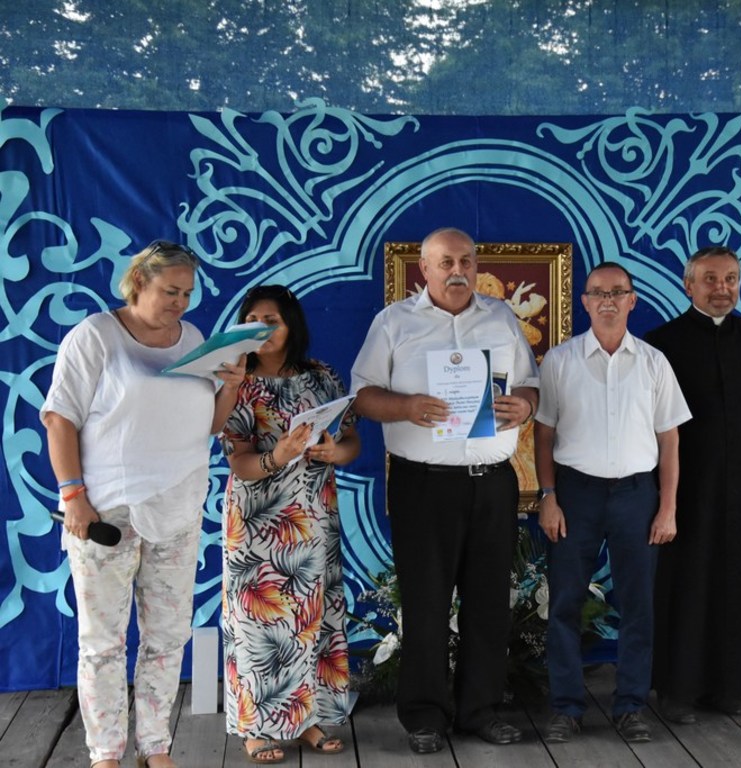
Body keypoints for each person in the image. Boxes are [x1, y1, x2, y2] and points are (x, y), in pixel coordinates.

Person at [40, 240, 243, 768]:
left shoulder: (193, 339)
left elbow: (208, 425)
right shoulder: (95, 336)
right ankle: (106, 753)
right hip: (107, 511)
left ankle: (155, 746)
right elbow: (59, 418)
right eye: (170, 291)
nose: (180, 302)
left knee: (168, 637)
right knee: (103, 642)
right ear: (138, 283)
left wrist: (231, 388)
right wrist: (73, 495)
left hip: (178, 509)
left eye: (188, 293)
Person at [350, 227, 539, 754]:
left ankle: (481, 710)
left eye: (466, 261)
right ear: (425, 269)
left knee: (489, 604)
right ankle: (425, 716)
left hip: (493, 483)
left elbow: (530, 384)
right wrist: (406, 407)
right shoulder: (393, 322)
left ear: (476, 266)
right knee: (426, 604)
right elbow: (362, 396)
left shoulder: (501, 317)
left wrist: (524, 405)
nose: (458, 270)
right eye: (446, 262)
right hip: (423, 485)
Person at [535, 262, 691, 744]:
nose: (608, 301)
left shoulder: (654, 362)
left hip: (636, 495)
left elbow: (669, 441)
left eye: (617, 292)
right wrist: (548, 496)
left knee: (638, 605)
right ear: (584, 301)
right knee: (564, 602)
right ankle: (566, 707)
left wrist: (667, 507)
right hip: (575, 494)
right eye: (598, 293)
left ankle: (631, 706)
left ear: (632, 300)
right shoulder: (559, 361)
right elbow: (543, 435)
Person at [215, 285, 360, 763]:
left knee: (309, 618)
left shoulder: (323, 376)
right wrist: (278, 455)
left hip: (314, 518)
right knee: (258, 625)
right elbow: (238, 462)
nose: (261, 327)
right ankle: (256, 728)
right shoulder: (236, 382)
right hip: (258, 522)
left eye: (271, 319)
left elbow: (351, 442)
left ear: (291, 323)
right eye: (252, 319)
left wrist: (334, 452)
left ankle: (306, 719)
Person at [644, 245, 741, 722]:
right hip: (684, 487)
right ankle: (677, 690)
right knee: (686, 582)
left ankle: (731, 686)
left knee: (737, 581)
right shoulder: (662, 342)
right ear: (689, 285)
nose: (722, 288)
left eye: (730, 279)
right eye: (710, 279)